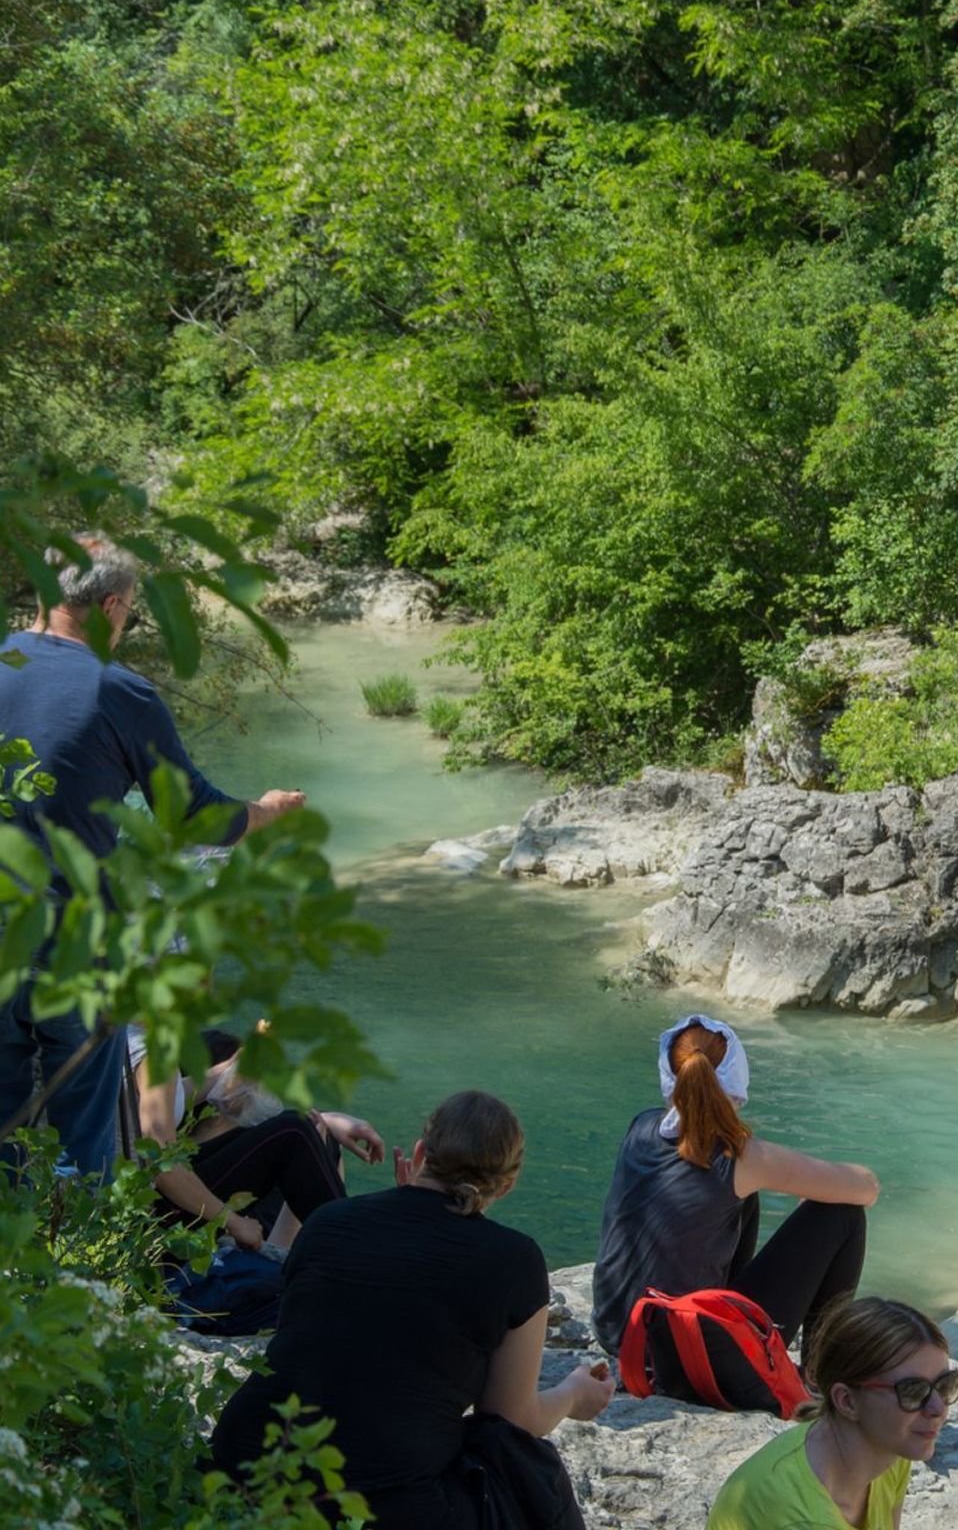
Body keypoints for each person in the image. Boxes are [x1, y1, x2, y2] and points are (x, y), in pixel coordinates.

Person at [0, 539, 306, 1176]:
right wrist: (268, 811)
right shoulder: (119, 690)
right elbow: (195, 815)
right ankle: (81, 1259)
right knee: (81, 1135)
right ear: (111, 606)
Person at [210, 1090, 613, 1529]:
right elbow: (510, 1420)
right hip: (380, 1498)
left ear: (421, 1153)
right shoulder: (514, 1259)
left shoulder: (328, 1221)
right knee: (531, 1463)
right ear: (508, 1184)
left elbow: (322, 1342)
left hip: (244, 1462)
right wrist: (573, 1393)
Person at [590, 1015, 877, 1383]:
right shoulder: (739, 1156)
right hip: (689, 1363)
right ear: (736, 1079)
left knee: (742, 1200)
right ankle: (822, 1380)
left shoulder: (641, 1127)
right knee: (843, 1218)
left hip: (618, 1337)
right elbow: (865, 1187)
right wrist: (817, 1192)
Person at [706, 1297, 958, 1530]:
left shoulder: (892, 1450)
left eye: (945, 1384)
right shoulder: (802, 1518)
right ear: (847, 1401)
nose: (938, 1409)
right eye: (913, 1392)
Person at [131, 1025, 384, 1252]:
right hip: (155, 1214)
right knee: (293, 1130)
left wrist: (326, 1121)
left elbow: (180, 1094)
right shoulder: (147, 1048)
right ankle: (359, 1254)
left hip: (156, 1206)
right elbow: (162, 1163)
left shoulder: (135, 1041)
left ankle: (358, 1251)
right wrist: (233, 1221)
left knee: (298, 1131)